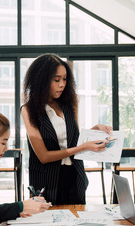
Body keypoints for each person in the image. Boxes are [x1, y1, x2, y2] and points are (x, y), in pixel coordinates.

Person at [21, 53, 112, 205]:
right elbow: (43, 156)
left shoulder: (71, 103)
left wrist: (94, 129)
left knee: (77, 223)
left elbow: (73, 138)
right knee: (49, 225)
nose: (62, 84)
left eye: (64, 79)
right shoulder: (28, 110)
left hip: (74, 176)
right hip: (47, 181)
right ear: (41, 80)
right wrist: (81, 148)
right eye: (56, 80)